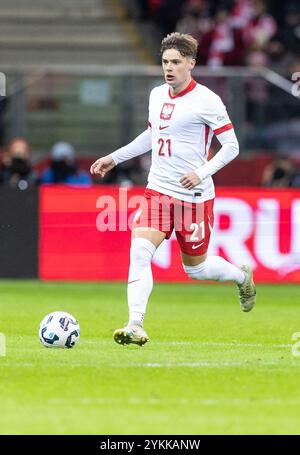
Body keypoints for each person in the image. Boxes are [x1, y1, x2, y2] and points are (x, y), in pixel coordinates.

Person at [90, 32, 256, 347]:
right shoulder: (157, 95)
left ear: (191, 64)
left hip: (194, 197)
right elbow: (151, 135)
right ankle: (135, 324)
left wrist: (201, 172)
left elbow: (232, 146)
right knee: (139, 252)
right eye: (165, 62)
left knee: (197, 269)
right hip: (158, 190)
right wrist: (114, 157)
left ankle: (241, 277)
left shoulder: (207, 100)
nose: (169, 68)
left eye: (176, 62)